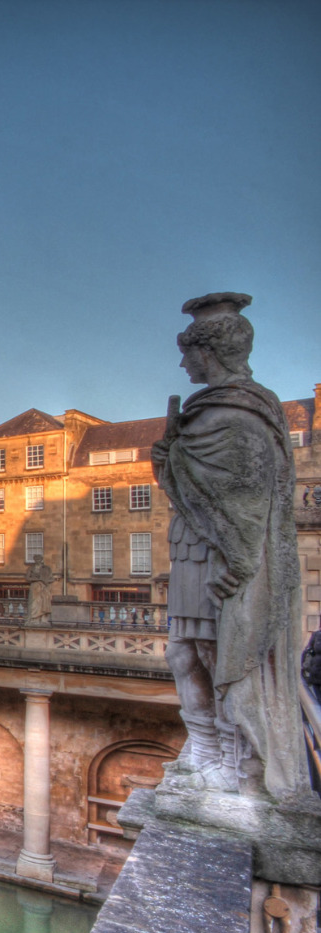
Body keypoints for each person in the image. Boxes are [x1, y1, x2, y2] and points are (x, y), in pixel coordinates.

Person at [152, 292, 302, 794]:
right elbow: (192, 481)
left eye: (188, 352)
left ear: (209, 351)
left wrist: (238, 563)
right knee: (183, 654)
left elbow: (248, 499)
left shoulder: (241, 412)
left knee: (219, 654)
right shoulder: (210, 410)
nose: (182, 362)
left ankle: (238, 759)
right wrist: (168, 457)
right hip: (193, 546)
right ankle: (205, 747)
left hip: (221, 556)